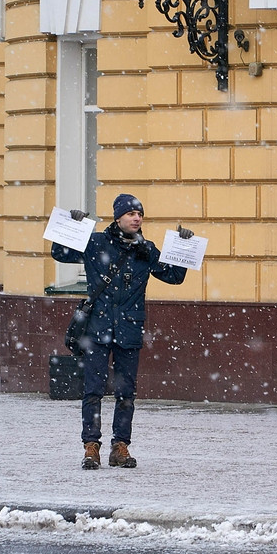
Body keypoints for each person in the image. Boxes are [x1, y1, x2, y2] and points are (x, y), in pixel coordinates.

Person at [52, 194, 192, 470]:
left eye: (140, 214)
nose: (137, 218)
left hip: (129, 328)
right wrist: (71, 225)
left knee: (126, 392)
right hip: (98, 328)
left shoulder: (146, 250)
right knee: (93, 389)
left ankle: (121, 446)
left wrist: (184, 248)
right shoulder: (96, 243)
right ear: (118, 217)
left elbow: (173, 276)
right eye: (131, 214)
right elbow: (59, 253)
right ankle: (91, 446)